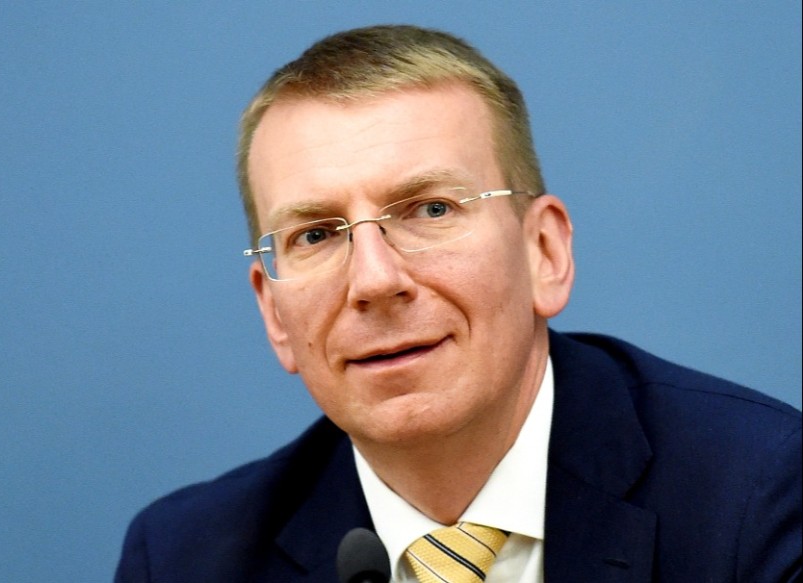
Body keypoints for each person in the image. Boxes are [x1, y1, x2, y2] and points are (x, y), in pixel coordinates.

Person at [114, 25, 801, 582]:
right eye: (316, 235)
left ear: (544, 252)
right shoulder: (182, 560)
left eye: (430, 209)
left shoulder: (757, 493)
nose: (373, 280)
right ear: (274, 314)